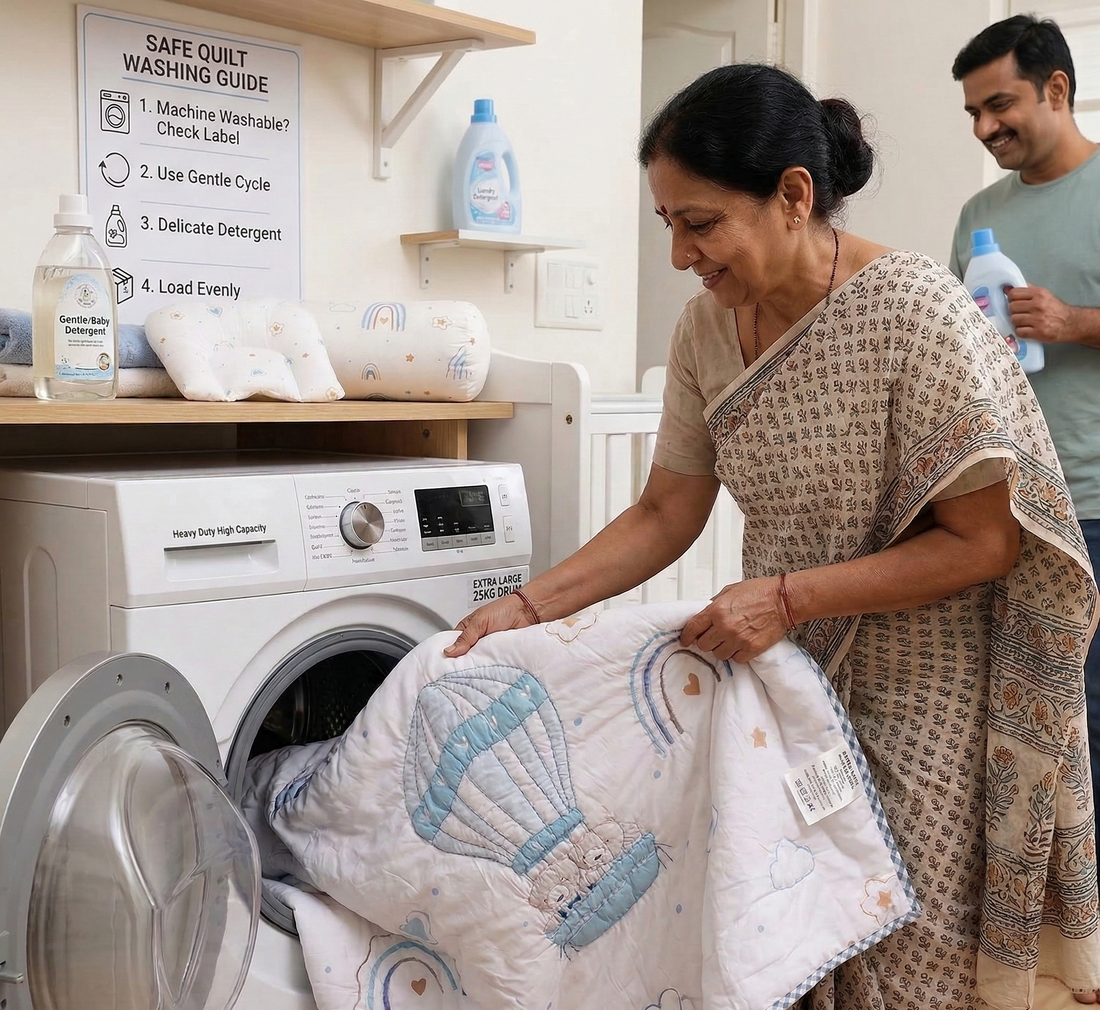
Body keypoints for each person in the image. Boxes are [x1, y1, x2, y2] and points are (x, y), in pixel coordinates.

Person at [446, 64, 1100, 1008]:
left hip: (926, 697)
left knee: (909, 957)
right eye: (667, 223)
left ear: (794, 195)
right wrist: (525, 606)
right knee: (793, 940)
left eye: (700, 223)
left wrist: (789, 597)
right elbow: (666, 512)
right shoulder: (705, 332)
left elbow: (984, 545)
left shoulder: (915, 312)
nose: (681, 254)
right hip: (789, 689)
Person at [949, 12, 1100, 934]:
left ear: (1056, 88)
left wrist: (1075, 324)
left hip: (1095, 500)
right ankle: (1039, 914)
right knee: (1015, 718)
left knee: (1090, 714)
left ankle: (1087, 933)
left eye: (999, 104)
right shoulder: (980, 217)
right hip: (1008, 508)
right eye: (972, 112)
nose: (985, 127)